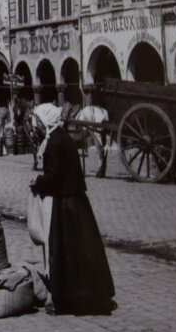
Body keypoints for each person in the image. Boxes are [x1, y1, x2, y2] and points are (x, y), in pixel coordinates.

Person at [29, 102, 115, 316]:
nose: (37, 126)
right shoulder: (60, 137)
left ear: (47, 120)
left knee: (68, 252)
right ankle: (91, 294)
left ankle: (72, 298)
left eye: (39, 121)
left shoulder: (54, 142)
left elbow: (54, 177)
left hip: (66, 204)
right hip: (75, 202)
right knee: (84, 250)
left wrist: (37, 182)